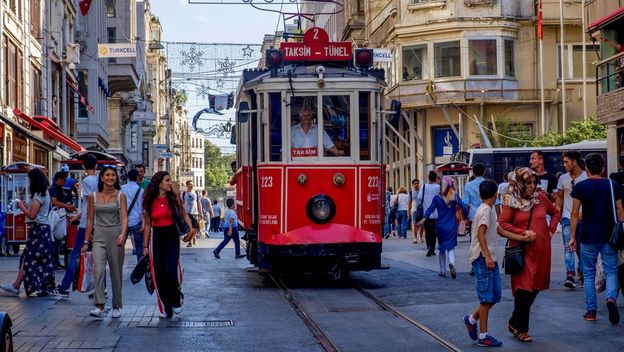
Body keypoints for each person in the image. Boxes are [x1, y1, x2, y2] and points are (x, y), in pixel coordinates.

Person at [498, 167, 560, 342]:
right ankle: (521, 329)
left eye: (534, 182)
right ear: (520, 183)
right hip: (522, 251)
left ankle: (513, 322)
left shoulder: (540, 198)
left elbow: (555, 212)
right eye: (529, 183)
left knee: (535, 288)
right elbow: (502, 223)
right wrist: (522, 232)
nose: (533, 186)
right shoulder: (512, 201)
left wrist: (551, 229)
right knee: (524, 290)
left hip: (541, 251)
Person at [569, 153, 622, 325]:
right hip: (609, 236)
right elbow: (620, 211)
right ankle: (611, 298)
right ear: (603, 168)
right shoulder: (612, 184)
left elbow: (575, 213)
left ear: (585, 168)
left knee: (589, 273)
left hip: (588, 235)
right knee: (611, 270)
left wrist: (572, 237)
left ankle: (591, 311)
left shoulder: (580, 187)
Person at [463, 179, 517, 348]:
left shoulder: (489, 209)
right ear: (496, 196)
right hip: (482, 258)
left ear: (479, 195)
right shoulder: (485, 210)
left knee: (494, 296)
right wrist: (486, 256)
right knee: (487, 298)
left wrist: (521, 237)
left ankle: (471, 319)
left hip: (489, 257)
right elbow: (481, 234)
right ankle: (483, 336)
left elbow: (499, 230)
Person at [142, 171, 193, 319]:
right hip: (156, 236)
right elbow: (147, 224)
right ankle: (166, 307)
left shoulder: (173, 197)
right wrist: (145, 246)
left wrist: (191, 229)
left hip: (171, 235)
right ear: (159, 183)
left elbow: (183, 213)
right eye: (167, 180)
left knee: (170, 270)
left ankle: (176, 300)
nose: (170, 183)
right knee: (159, 274)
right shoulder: (149, 200)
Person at [0, 168, 58, 297]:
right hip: (42, 230)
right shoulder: (44, 193)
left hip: (39, 230)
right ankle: (17, 285)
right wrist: (27, 206)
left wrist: (21, 206)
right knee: (29, 257)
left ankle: (21, 285)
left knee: (30, 257)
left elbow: (32, 215)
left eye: (30, 179)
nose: (28, 182)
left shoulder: (39, 195)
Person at [81, 166, 128, 318]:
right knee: (98, 270)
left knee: (116, 272)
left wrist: (123, 233)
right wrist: (86, 241)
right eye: (107, 175)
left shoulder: (121, 195)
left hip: (116, 235)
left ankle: (116, 306)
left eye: (113, 175)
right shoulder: (93, 196)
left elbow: (125, 217)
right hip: (99, 236)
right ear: (101, 178)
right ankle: (99, 305)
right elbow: (89, 220)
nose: (110, 177)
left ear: (116, 178)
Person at [56, 154, 99, 296]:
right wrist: (79, 216)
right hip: (97, 223)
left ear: (83, 167)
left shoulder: (86, 181)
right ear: (96, 166)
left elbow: (89, 205)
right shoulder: (100, 180)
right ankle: (101, 288)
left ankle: (64, 286)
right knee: (100, 256)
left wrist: (81, 217)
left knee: (75, 255)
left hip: (86, 224)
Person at [419, 176, 468, 278]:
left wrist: (423, 219)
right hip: (451, 225)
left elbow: (430, 209)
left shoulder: (437, 198)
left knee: (441, 248)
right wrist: (465, 217)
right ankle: (452, 262)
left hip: (440, 225)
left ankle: (442, 270)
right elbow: (464, 207)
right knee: (451, 247)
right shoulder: (454, 196)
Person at [555, 151, 587, 289]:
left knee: (581, 248)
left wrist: (584, 212)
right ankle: (570, 275)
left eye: (566, 162)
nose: (564, 165)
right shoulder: (562, 178)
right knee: (568, 246)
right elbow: (559, 197)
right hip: (567, 217)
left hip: (583, 218)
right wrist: (558, 213)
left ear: (575, 162)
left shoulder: (586, 177)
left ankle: (582, 272)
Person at [49, 171, 75, 269]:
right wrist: (67, 206)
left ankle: (56, 262)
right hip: (56, 217)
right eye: (64, 180)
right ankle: (54, 262)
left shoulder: (60, 188)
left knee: (58, 241)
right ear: (58, 179)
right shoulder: (54, 188)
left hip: (61, 216)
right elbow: (54, 201)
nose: (64, 182)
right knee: (55, 240)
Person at [609, 154, 624, 298]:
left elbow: (617, 204)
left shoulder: (614, 177)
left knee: (619, 257)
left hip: (620, 222)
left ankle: (616, 288)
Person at [121, 169, 145, 263]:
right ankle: (140, 264)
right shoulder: (140, 190)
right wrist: (143, 222)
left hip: (124, 221)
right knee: (139, 245)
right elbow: (140, 208)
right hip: (136, 220)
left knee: (120, 244)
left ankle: (119, 262)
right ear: (137, 177)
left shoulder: (122, 188)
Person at [419, 171, 441, 256]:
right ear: (435, 178)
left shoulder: (424, 186)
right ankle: (433, 248)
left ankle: (429, 247)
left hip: (426, 213)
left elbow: (419, 197)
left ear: (428, 178)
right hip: (436, 213)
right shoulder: (438, 187)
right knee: (434, 232)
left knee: (427, 231)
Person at [463, 163, 486, 231]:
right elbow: (496, 203)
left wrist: (465, 216)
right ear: (484, 172)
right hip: (486, 215)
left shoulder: (468, 185)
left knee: (474, 239)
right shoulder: (489, 183)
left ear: (473, 173)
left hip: (473, 216)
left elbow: (465, 203)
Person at [181, 180, 202, 247]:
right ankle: (190, 241)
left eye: (192, 184)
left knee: (196, 227)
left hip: (195, 212)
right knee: (189, 228)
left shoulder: (196, 193)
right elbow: (181, 203)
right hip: (187, 213)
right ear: (187, 185)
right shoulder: (184, 193)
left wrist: (200, 212)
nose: (192, 185)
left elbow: (199, 202)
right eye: (190, 184)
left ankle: (194, 236)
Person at [409, 179, 424, 244]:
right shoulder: (411, 192)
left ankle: (420, 236)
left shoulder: (422, 191)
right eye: (415, 183)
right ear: (412, 184)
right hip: (414, 210)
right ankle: (415, 238)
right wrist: (408, 211)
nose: (417, 184)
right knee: (415, 224)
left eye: (417, 183)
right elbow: (410, 202)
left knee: (422, 224)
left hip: (422, 209)